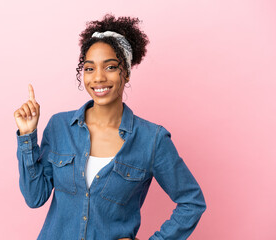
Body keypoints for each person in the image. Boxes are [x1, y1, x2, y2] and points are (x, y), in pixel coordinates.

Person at [13, 14, 206, 240]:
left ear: (126, 72)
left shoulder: (152, 140)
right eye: (89, 68)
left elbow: (191, 202)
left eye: (110, 67)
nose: (99, 78)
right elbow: (35, 197)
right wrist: (27, 136)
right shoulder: (59, 127)